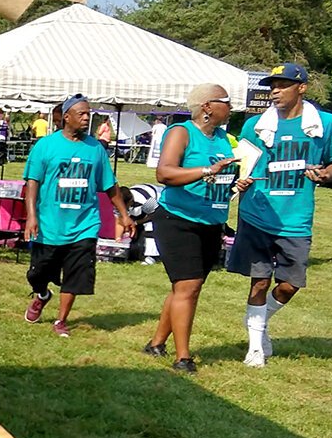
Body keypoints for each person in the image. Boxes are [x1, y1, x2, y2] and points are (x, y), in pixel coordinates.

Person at [228, 63, 332, 366]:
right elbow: (241, 164)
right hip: (257, 212)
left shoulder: (325, 124)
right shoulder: (255, 125)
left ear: (301, 88)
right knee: (260, 281)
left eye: (282, 85)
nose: (275, 91)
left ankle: (258, 319)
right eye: (271, 86)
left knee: (291, 284)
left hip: (296, 217)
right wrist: (239, 179)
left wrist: (325, 175)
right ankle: (255, 347)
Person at [22, 94, 134, 337]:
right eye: (82, 113)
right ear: (66, 117)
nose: (86, 117)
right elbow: (32, 183)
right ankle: (42, 294)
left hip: (85, 224)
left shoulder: (96, 148)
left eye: (89, 113)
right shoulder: (45, 146)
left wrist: (124, 215)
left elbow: (110, 186)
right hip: (50, 224)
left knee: (75, 275)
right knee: (37, 273)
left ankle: (61, 321)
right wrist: (32, 216)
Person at [144, 85, 238, 373]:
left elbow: (223, 174)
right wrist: (208, 171)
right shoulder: (182, 132)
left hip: (211, 223)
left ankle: (156, 343)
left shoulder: (222, 137)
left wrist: (236, 181)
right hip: (178, 220)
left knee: (184, 287)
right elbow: (165, 173)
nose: (231, 107)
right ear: (207, 106)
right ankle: (182, 357)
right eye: (226, 102)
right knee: (189, 286)